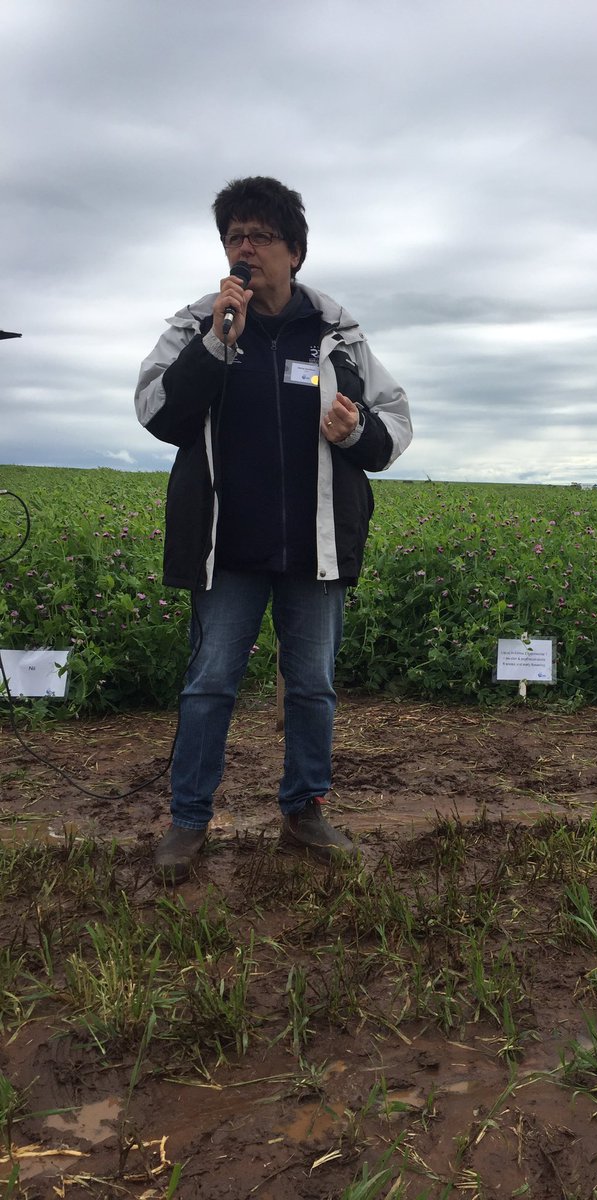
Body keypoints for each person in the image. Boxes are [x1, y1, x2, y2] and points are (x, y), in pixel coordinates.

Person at [135, 176, 412, 881]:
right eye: (234, 237)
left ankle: (304, 813)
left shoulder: (337, 335)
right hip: (225, 549)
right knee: (209, 684)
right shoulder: (200, 325)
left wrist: (356, 433)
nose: (244, 248)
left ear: (295, 250)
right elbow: (159, 415)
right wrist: (216, 344)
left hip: (313, 548)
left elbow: (394, 428)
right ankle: (189, 821)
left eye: (259, 236)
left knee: (313, 685)